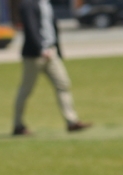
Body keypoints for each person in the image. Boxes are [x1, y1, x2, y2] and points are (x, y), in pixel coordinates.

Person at [12, 0, 91, 136]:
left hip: (51, 51)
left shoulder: (46, 4)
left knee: (63, 84)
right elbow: (30, 27)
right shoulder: (28, 4)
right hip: (34, 55)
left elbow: (51, 26)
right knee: (26, 90)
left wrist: (57, 50)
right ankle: (18, 125)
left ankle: (71, 121)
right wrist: (41, 48)